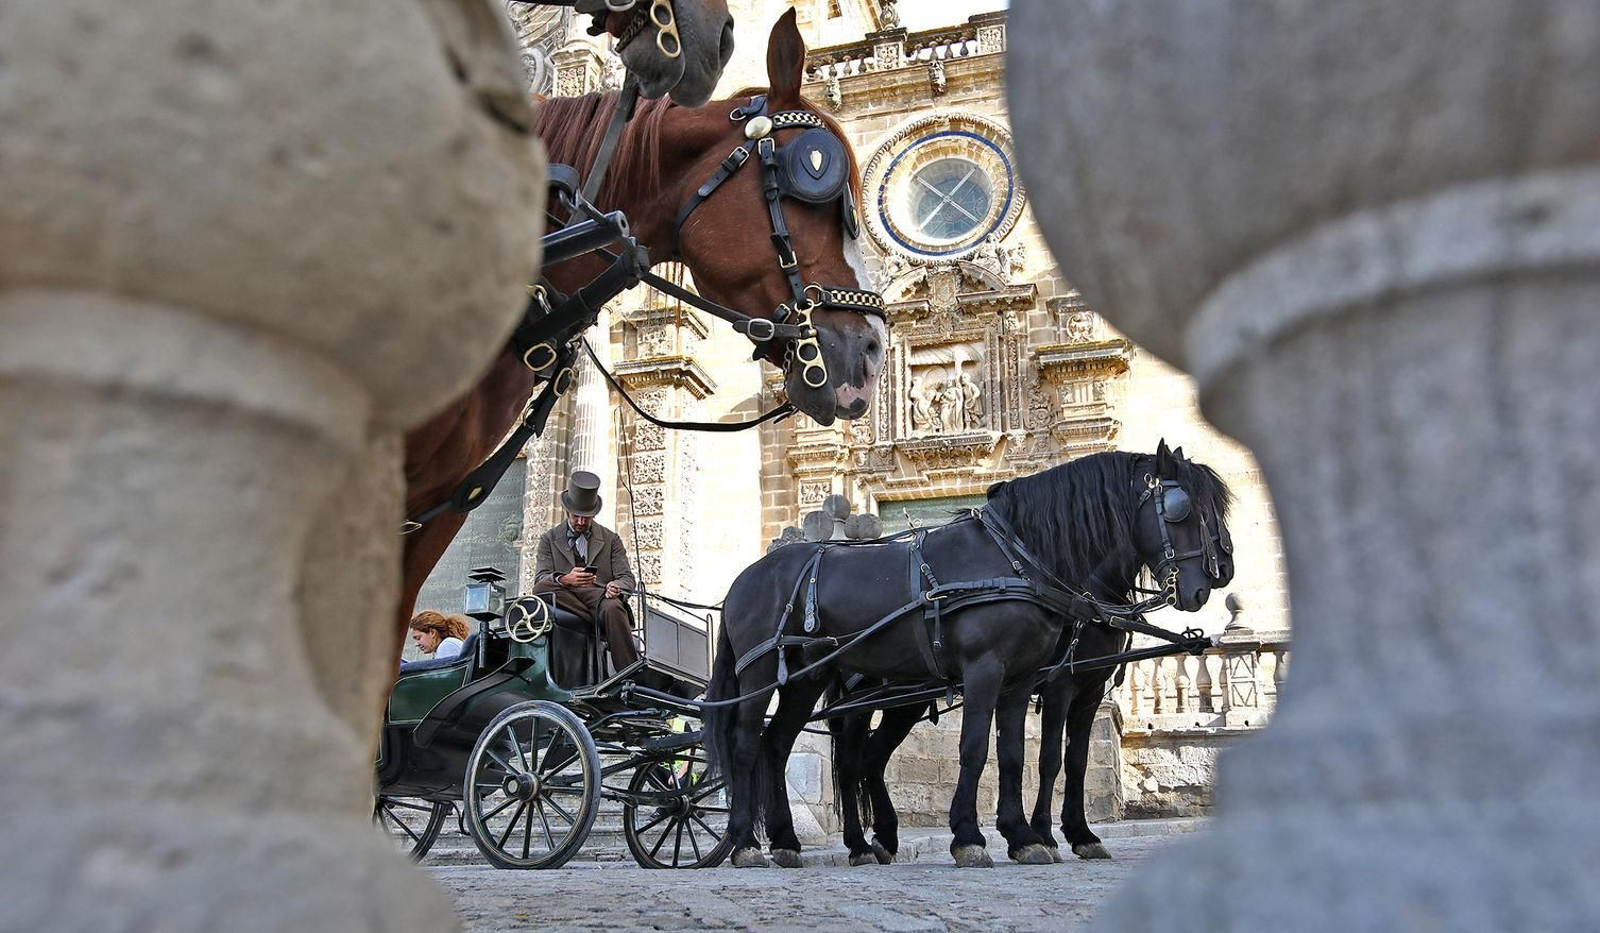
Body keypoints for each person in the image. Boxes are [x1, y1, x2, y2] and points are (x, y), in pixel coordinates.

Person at [532, 471, 641, 680]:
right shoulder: (549, 539)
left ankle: (629, 675)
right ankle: (592, 621)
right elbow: (540, 579)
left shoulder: (611, 539)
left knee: (614, 607)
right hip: (566, 597)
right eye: (576, 516)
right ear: (567, 511)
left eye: (586, 517)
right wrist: (565, 579)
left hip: (601, 599)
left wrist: (616, 587)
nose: (581, 522)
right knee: (541, 589)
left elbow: (627, 578)